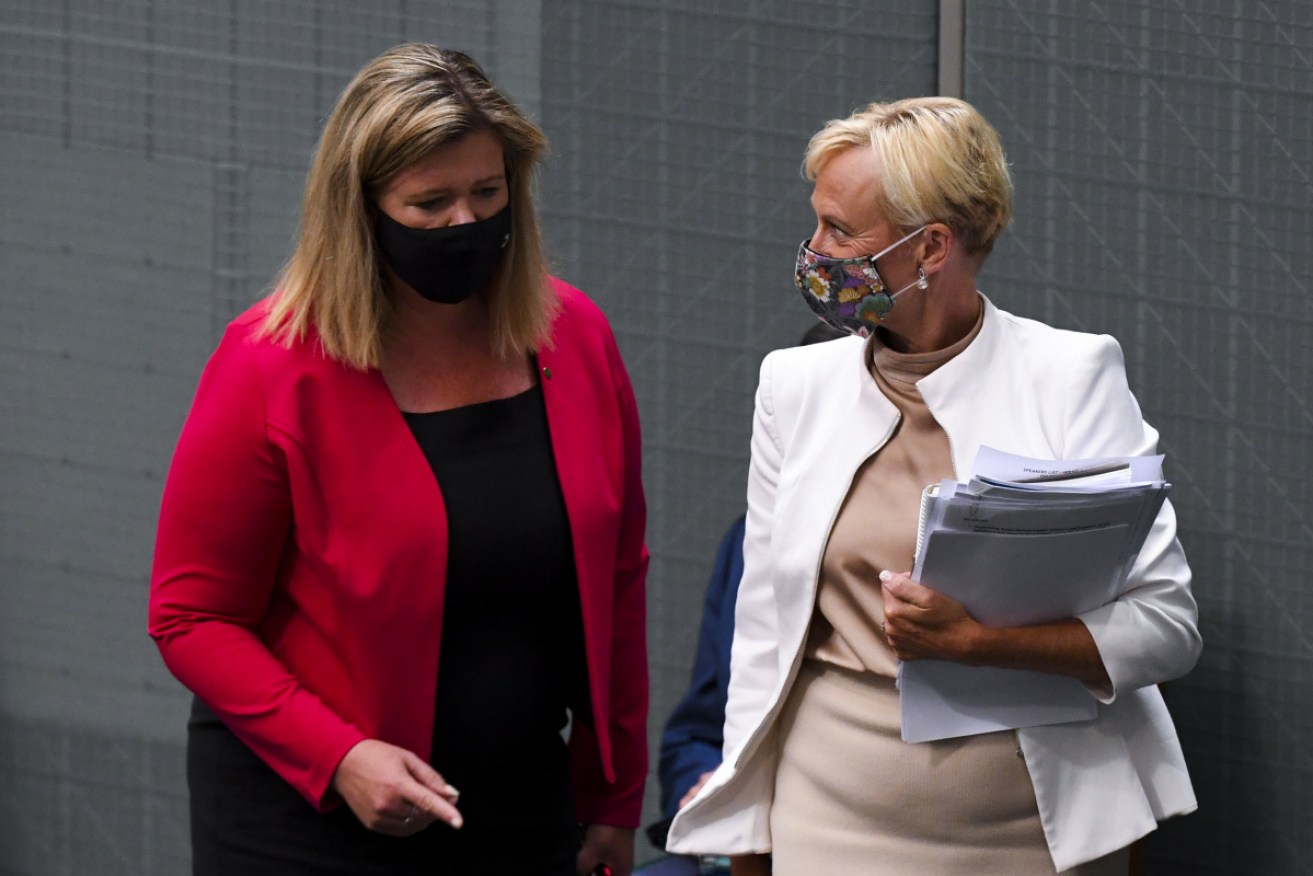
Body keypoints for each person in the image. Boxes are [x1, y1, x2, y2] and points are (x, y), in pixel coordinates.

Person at [148, 44, 648, 876]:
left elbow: (617, 583)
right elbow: (191, 619)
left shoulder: (575, 336)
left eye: (487, 194)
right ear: (361, 212)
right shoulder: (270, 365)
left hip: (518, 804)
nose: (466, 223)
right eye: (430, 203)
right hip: (310, 818)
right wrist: (338, 755)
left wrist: (612, 796)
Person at [666, 96, 1200, 875]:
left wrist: (979, 644)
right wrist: (748, 843)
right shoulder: (793, 383)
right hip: (828, 818)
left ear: (930, 249)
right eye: (816, 222)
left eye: (840, 231)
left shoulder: (1069, 377)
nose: (814, 250)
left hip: (1034, 829)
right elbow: (763, 633)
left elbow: (1166, 624)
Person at [644, 324, 843, 875]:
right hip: (739, 842)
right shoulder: (749, 541)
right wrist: (703, 785)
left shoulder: (935, 549)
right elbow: (697, 731)